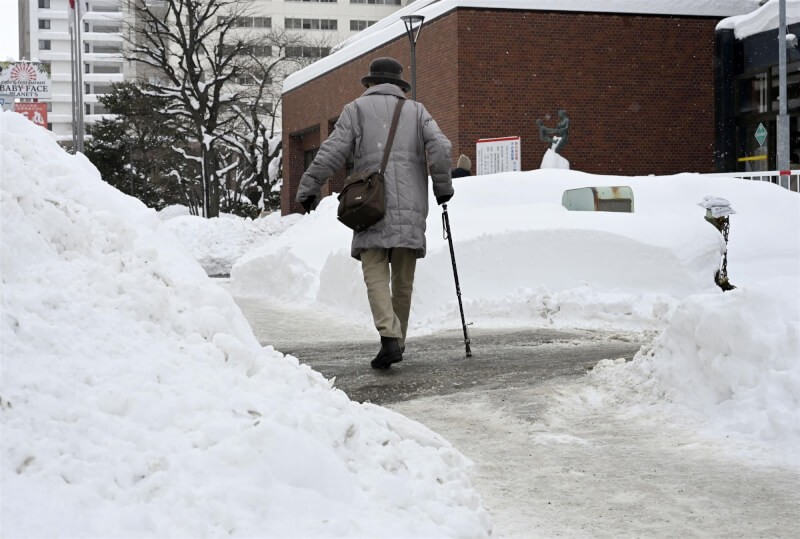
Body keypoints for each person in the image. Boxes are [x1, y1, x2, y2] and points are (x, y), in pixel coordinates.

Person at [295, 57, 453, 370]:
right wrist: (442, 187)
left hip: (370, 204)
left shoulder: (355, 110)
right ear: (400, 85)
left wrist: (309, 187)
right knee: (403, 281)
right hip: (410, 207)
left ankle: (388, 338)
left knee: (375, 273)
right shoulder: (417, 111)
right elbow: (441, 147)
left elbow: (332, 151)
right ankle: (398, 342)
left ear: (370, 83)